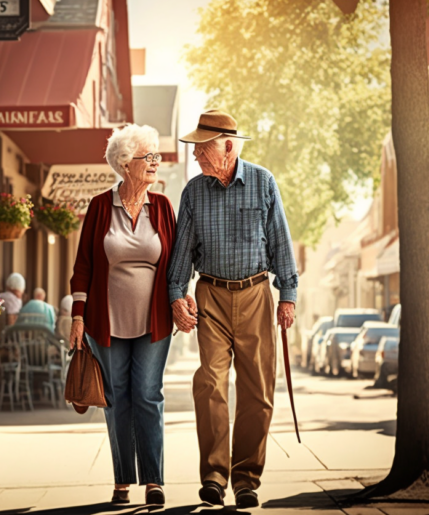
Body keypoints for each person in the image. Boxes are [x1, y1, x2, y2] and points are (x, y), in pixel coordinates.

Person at [167, 110, 298, 510]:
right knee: (209, 383)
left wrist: (288, 294)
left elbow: (280, 241)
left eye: (201, 149)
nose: (195, 157)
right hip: (210, 296)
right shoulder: (193, 192)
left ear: (227, 145)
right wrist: (176, 294)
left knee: (258, 390)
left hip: (257, 293)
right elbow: (182, 252)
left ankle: (246, 479)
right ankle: (213, 474)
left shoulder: (262, 182)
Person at [69, 124, 194, 507]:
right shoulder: (100, 206)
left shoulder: (163, 207)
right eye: (149, 157)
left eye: (157, 155)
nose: (156, 162)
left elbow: (176, 263)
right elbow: (84, 266)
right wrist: (77, 316)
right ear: (126, 164)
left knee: (147, 394)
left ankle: (154, 480)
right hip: (106, 322)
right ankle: (123, 479)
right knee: (117, 396)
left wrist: (180, 299)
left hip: (153, 321)